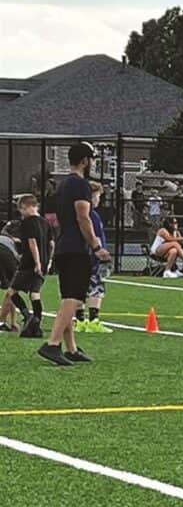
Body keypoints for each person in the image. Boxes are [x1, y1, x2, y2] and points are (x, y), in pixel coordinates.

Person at [38, 141, 111, 366]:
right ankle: (52, 344)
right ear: (84, 161)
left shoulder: (63, 185)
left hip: (63, 246)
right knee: (74, 298)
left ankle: (70, 348)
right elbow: (83, 217)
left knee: (67, 299)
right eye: (92, 159)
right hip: (76, 248)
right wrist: (97, 246)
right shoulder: (80, 185)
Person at [10, 195, 53, 339]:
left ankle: (27, 316)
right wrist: (47, 260)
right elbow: (51, 244)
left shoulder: (28, 223)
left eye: (21, 210)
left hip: (29, 263)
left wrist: (37, 262)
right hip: (45, 262)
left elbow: (32, 242)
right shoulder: (45, 223)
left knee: (12, 291)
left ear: (26, 207)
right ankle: (37, 324)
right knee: (35, 293)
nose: (21, 213)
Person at [75, 182, 113, 333]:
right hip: (92, 257)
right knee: (96, 288)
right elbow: (94, 235)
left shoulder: (79, 213)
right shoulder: (92, 216)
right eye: (98, 196)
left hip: (79, 256)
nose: (99, 200)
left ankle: (79, 320)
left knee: (78, 288)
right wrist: (100, 250)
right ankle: (93, 320)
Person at [0, 222, 19, 332]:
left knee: (11, 290)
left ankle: (9, 322)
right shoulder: (17, 242)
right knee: (13, 289)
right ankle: (2, 321)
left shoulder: (4, 234)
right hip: (6, 253)